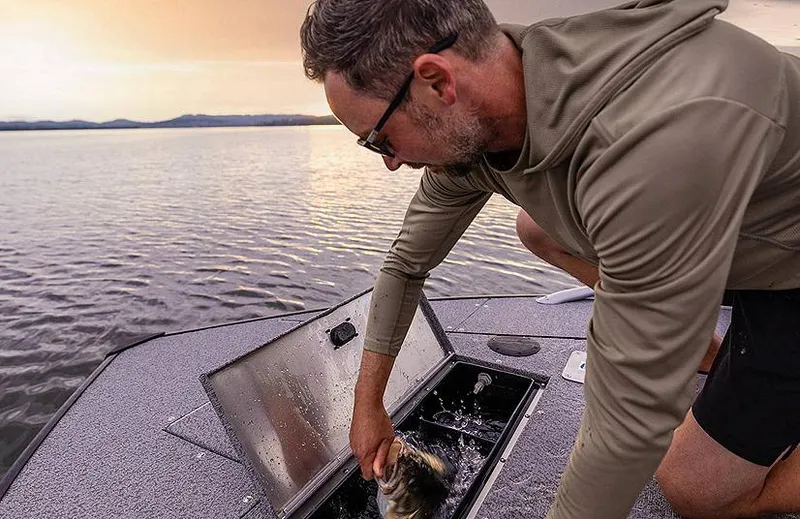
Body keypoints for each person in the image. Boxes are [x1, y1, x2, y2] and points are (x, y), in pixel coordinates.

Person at [299, 0, 800, 517]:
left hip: (789, 273)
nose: (390, 162)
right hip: (730, 237)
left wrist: (646, 358)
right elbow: (405, 266)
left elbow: (626, 424)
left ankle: (680, 335)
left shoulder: (650, 144)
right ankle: (701, 346)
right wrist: (369, 407)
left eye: (379, 137)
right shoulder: (485, 122)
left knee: (695, 492)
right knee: (536, 226)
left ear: (436, 82)